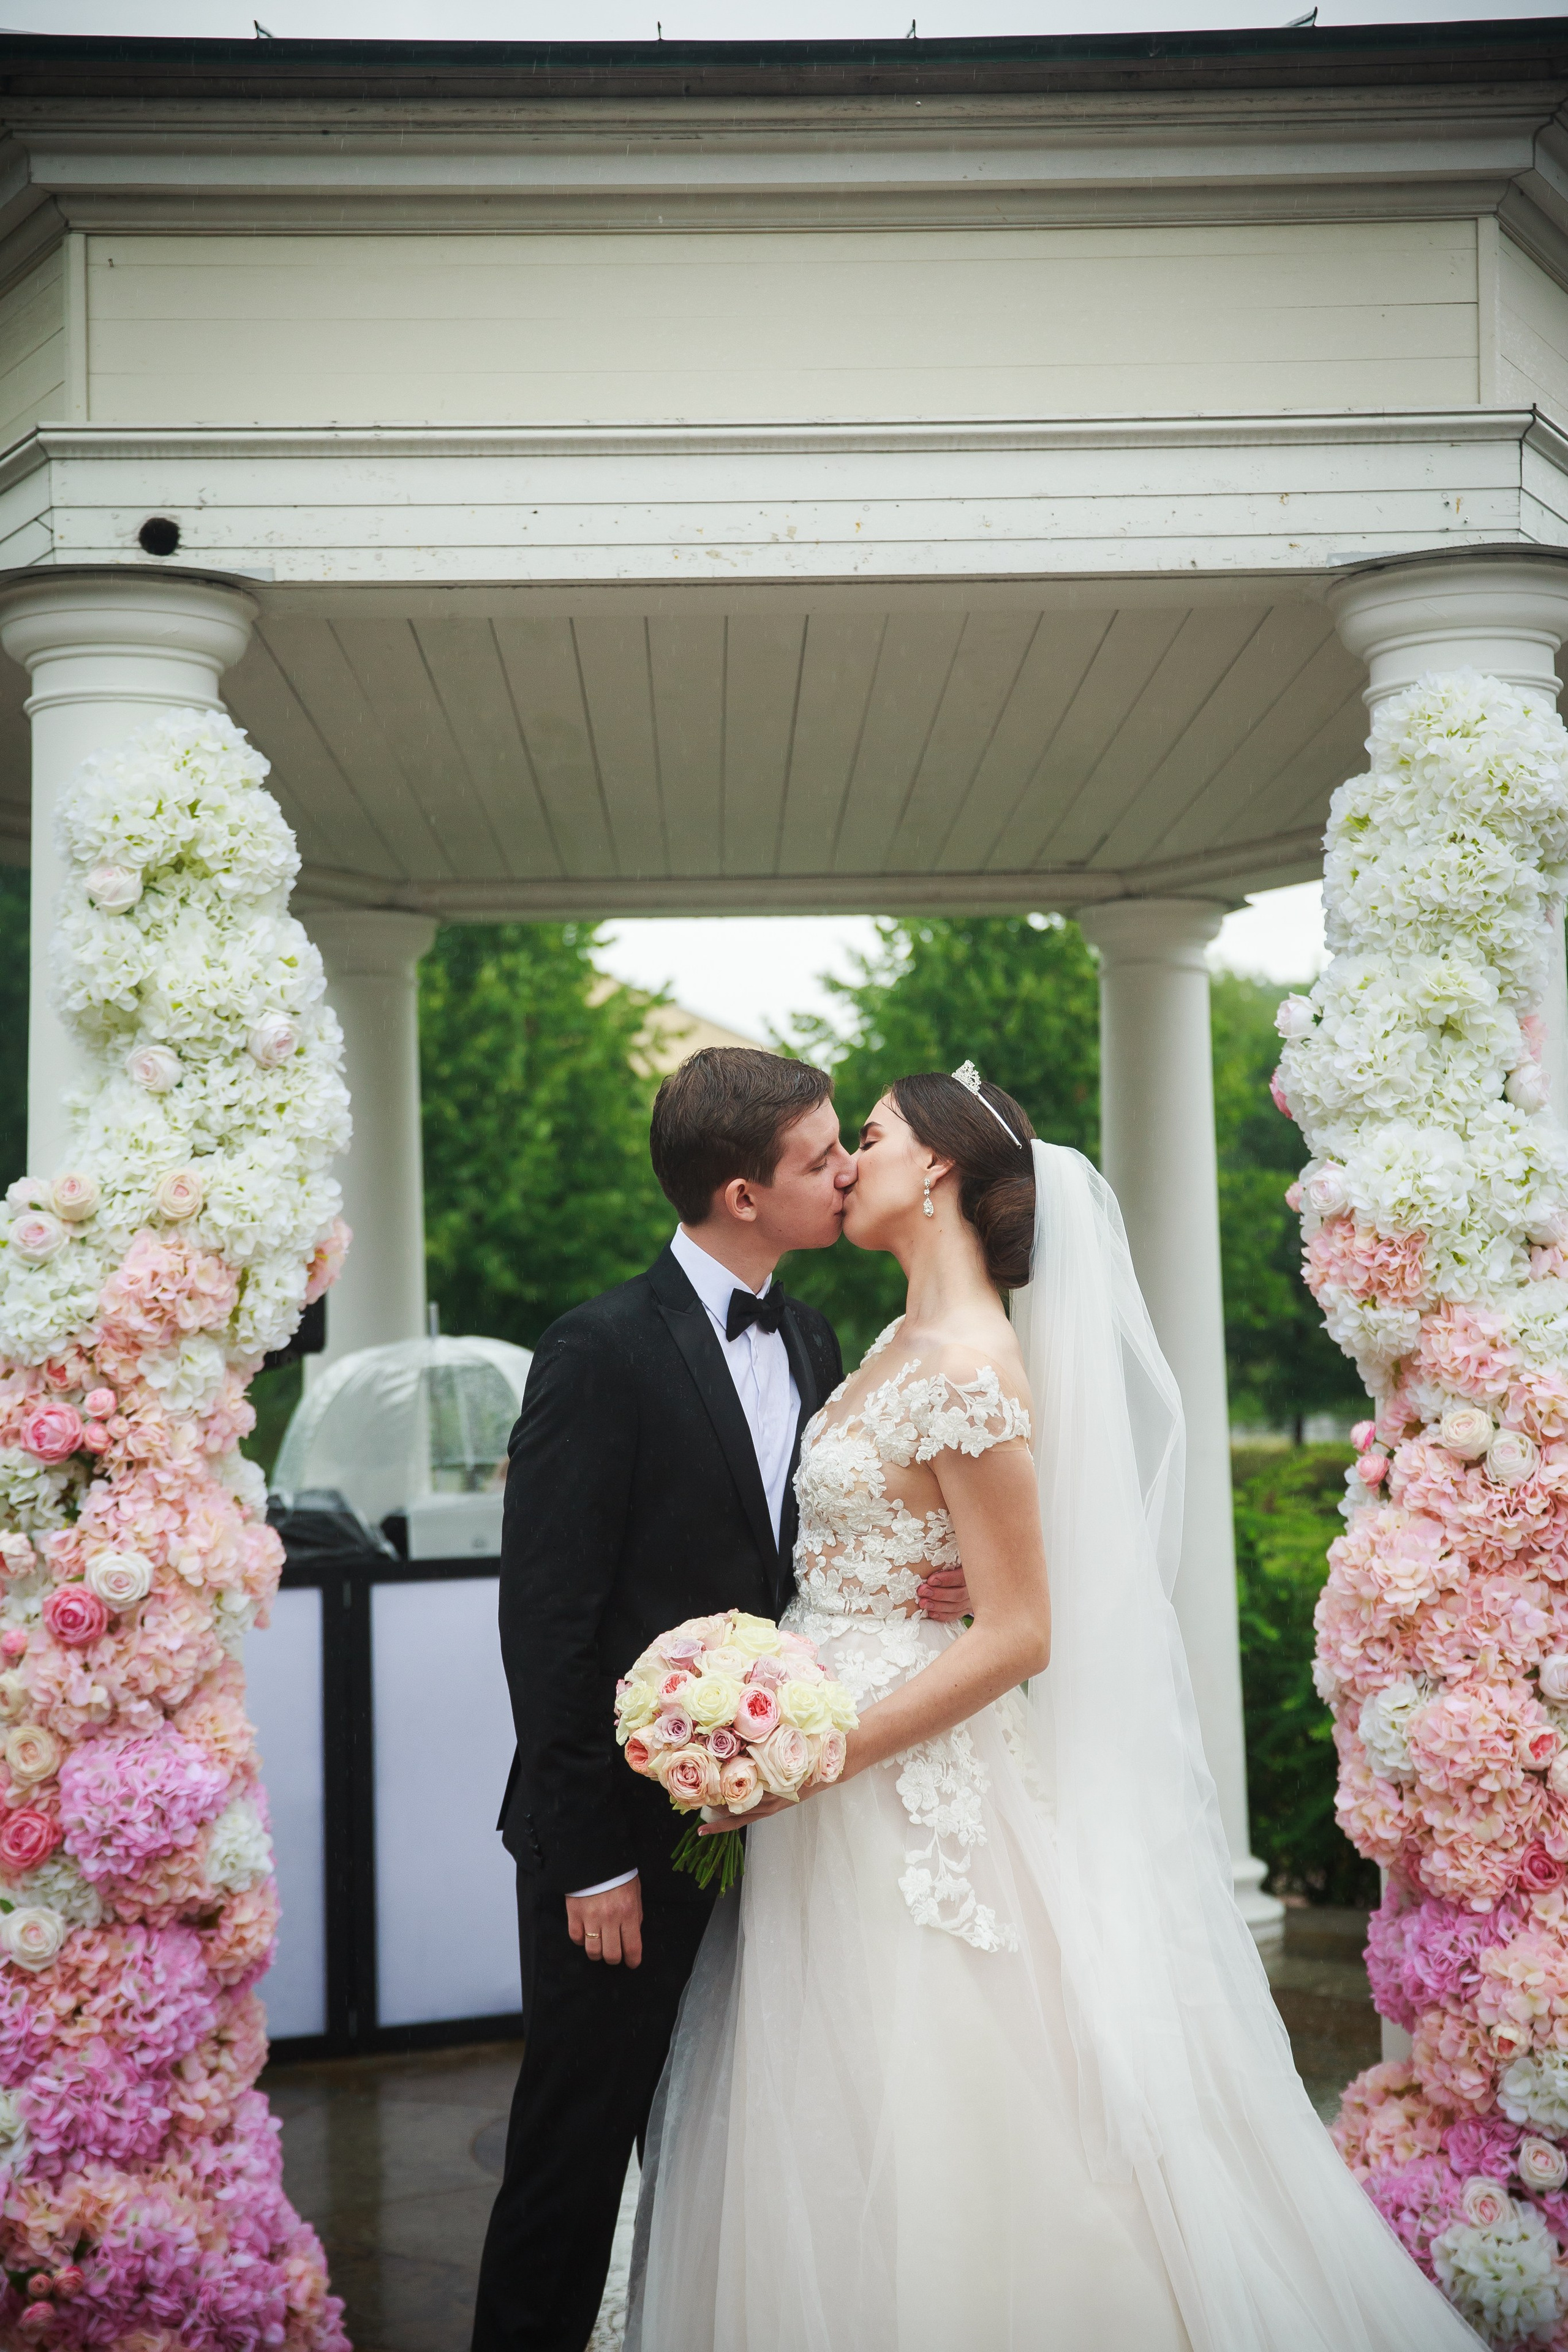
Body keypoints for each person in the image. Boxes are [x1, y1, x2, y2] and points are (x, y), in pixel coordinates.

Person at [625, 1065, 1486, 2352]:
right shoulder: (886, 1344)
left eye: (868, 1139)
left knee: (957, 2105)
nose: (850, 1163)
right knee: (834, 2109)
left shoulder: (970, 1367)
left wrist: (828, 1749)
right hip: (822, 1793)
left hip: (900, 1793)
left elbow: (1022, 1630)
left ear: (938, 1172)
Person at [471, 1047, 971, 2352]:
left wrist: (926, 1577)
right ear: (743, 1195)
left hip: (776, 1827)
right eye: (821, 1158)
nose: (848, 1170)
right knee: (575, 2155)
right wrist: (587, 1864)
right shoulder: (596, 1349)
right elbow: (548, 1626)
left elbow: (818, 1547)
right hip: (617, 1849)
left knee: (727, 2150)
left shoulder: (814, 1337)